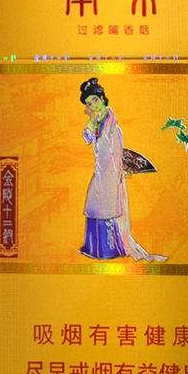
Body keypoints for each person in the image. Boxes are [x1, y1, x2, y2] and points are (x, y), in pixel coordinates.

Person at [79, 77, 167, 262]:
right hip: (100, 172)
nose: (93, 105)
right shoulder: (96, 123)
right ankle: (94, 248)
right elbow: (87, 139)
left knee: (109, 207)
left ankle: (111, 249)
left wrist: (120, 171)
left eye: (95, 100)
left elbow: (116, 154)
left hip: (112, 174)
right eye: (89, 103)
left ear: (102, 98)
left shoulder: (113, 126)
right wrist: (91, 121)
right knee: (95, 206)